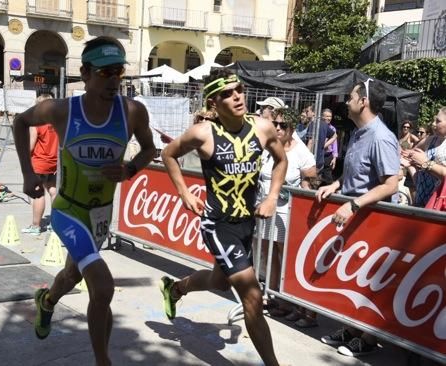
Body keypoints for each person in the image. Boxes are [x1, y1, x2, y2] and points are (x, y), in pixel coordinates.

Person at [13, 36, 156, 366]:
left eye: (118, 72)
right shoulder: (63, 109)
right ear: (86, 74)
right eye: (105, 73)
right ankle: (103, 360)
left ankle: (47, 301)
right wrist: (28, 174)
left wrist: (130, 168)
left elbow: (150, 149)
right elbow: (21, 121)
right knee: (103, 288)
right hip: (68, 211)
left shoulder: (133, 111)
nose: (114, 80)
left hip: (101, 217)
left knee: (73, 275)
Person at [160, 68, 287, 366]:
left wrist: (271, 197)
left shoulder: (263, 127)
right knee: (252, 297)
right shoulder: (203, 133)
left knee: (219, 282)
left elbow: (282, 160)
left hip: (246, 224)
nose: (237, 97)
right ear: (214, 103)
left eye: (239, 90)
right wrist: (184, 193)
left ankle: (175, 288)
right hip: (217, 226)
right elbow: (168, 154)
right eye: (227, 94)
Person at [316, 79, 399, 357]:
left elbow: (391, 184)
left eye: (351, 96)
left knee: (371, 283)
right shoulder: (356, 133)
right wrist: (336, 185)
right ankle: (352, 329)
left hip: (375, 223)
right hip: (357, 221)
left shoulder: (381, 137)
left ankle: (368, 336)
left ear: (363, 101)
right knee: (353, 282)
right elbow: (356, 174)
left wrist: (353, 204)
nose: (346, 101)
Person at [256, 109, 316, 327]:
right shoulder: (268, 147)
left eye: (283, 125)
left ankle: (288, 300)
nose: (278, 128)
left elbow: (311, 182)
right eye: (276, 125)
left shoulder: (301, 152)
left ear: (292, 129)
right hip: (265, 208)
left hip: (288, 213)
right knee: (267, 251)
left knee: (285, 256)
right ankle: (274, 297)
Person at [21, 94, 59, 236]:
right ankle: (54, 225)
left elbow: (30, 145)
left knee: (38, 194)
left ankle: (35, 226)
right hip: (54, 163)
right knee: (53, 191)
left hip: (40, 163)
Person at [402, 107, 446, 207]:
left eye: (438, 121)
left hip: (439, 208)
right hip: (421, 204)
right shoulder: (430, 140)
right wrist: (410, 166)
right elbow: (411, 157)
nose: (433, 124)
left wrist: (426, 163)